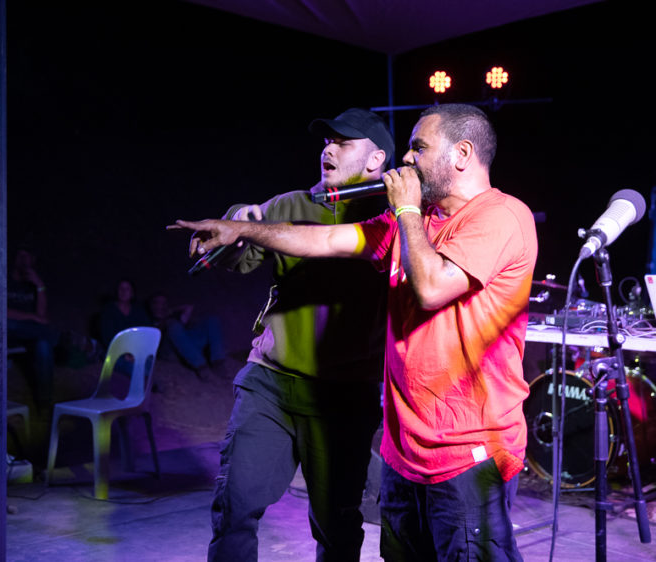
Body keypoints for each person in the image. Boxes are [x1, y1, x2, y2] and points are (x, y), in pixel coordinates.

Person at [169, 103, 538, 561]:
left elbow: (430, 288)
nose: (408, 158)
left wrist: (406, 209)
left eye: (419, 148)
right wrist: (240, 227)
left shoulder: (501, 216)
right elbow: (325, 240)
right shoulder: (411, 220)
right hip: (405, 453)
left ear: (462, 154)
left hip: (469, 453)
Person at [178, 108, 393, 561]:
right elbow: (238, 257)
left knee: (337, 525)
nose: (328, 149)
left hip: (343, 395)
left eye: (343, 142)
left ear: (376, 160)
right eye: (326, 141)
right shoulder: (290, 205)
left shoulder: (393, 217)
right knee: (234, 506)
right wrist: (235, 224)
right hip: (270, 383)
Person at [7, 246, 61, 412]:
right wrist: (31, 317)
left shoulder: (33, 283)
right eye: (20, 256)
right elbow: (0, 311)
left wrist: (39, 285)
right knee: (16, 324)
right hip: (8, 328)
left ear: (33, 260)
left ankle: (44, 405)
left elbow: (41, 315)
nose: (24, 260)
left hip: (30, 332)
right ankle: (57, 338)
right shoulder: (5, 279)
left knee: (44, 346)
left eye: (27, 256)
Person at [147, 292, 225, 379]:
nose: (160, 306)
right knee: (172, 324)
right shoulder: (147, 320)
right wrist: (165, 322)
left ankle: (218, 362)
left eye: (163, 303)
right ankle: (201, 366)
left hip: (187, 347)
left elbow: (188, 307)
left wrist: (171, 311)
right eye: (156, 302)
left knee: (212, 320)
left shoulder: (172, 319)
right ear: (151, 305)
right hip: (171, 352)